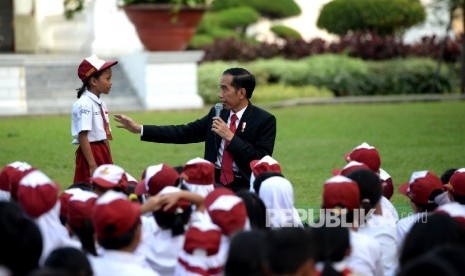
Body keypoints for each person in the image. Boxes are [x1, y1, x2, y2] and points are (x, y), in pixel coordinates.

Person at [114, 67, 277, 192]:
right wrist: (139, 129)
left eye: (225, 89)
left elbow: (261, 161)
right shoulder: (218, 112)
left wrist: (231, 137)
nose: (220, 95)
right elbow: (183, 132)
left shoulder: (264, 120)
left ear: (241, 93)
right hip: (212, 181)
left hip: (244, 184)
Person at [71, 54, 118, 185]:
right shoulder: (84, 104)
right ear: (94, 81)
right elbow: (83, 135)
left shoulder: (100, 103)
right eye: (107, 78)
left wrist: (109, 158)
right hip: (91, 153)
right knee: (91, 188)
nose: (110, 82)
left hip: (102, 150)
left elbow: (104, 135)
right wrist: (92, 165)